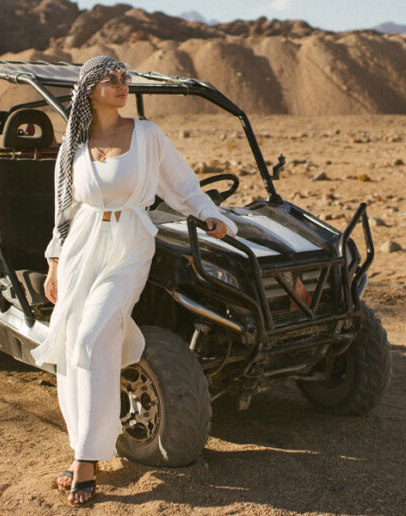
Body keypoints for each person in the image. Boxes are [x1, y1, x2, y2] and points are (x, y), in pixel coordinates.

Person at [30, 56, 238, 505]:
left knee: (90, 334)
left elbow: (182, 185)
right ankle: (83, 449)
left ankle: (86, 461)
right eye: (111, 79)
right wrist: (54, 262)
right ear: (89, 90)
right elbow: (63, 213)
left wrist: (209, 215)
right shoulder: (73, 146)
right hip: (83, 244)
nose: (122, 84)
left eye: (125, 77)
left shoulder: (147, 135)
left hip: (130, 242)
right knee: (75, 341)